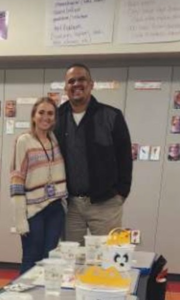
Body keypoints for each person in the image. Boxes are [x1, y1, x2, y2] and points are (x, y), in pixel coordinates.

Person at [53, 64, 132, 243]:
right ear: (66, 87)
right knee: (71, 260)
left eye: (82, 79)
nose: (76, 84)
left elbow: (125, 158)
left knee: (108, 258)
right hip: (70, 206)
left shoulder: (111, 116)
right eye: (71, 81)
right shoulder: (57, 117)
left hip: (106, 204)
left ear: (91, 84)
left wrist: (121, 193)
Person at [10, 96, 67, 273]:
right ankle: (22, 299)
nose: (46, 117)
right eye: (41, 112)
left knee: (49, 259)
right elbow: (17, 179)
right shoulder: (24, 141)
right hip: (34, 210)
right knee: (31, 257)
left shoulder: (54, 140)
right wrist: (20, 219)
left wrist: (63, 203)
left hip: (55, 208)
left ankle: (42, 299)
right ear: (34, 115)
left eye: (50, 113)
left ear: (55, 119)